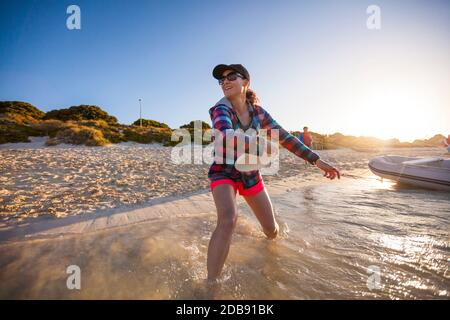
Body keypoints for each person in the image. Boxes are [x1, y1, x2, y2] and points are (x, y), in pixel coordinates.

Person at [207, 63, 340, 281]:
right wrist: (262, 146)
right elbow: (225, 137)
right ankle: (210, 286)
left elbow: (286, 138)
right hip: (224, 171)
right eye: (221, 80)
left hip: (250, 174)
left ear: (245, 82)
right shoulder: (220, 109)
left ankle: (270, 259)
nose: (225, 82)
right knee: (228, 219)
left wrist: (317, 160)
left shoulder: (258, 112)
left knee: (272, 231)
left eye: (231, 76)